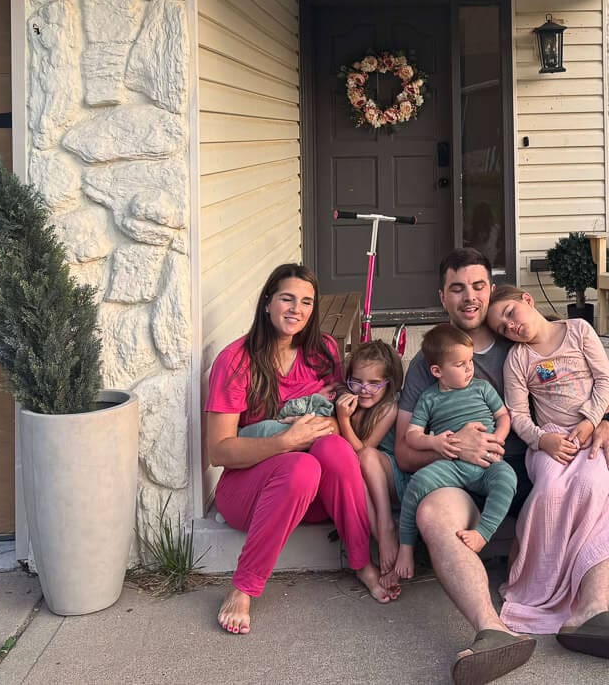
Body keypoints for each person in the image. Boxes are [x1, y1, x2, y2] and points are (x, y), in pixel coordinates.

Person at [205, 263, 396, 636]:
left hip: (313, 501)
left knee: (336, 452)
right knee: (301, 468)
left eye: (306, 302)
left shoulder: (321, 349)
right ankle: (244, 587)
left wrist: (332, 418)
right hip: (251, 493)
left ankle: (362, 562)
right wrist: (284, 441)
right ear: (267, 302)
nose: (297, 309)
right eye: (287, 299)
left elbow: (341, 401)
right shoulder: (235, 361)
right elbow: (219, 452)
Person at [489, 284, 609, 661]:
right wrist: (542, 441)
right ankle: (537, 587)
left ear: (526, 299)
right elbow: (518, 413)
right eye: (503, 329)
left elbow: (605, 381)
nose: (511, 327)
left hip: (594, 436)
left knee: (592, 484)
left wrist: (593, 422)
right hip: (551, 442)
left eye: (510, 314)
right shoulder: (518, 359)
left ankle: (580, 590)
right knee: (549, 494)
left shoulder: (578, 330)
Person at [396, 324, 518, 580]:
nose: (469, 368)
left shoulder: (482, 388)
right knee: (418, 483)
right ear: (437, 371)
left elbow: (503, 416)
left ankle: (482, 533)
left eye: (470, 361)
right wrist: (436, 443)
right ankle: (405, 546)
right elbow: (412, 435)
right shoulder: (429, 398)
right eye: (460, 364)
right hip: (451, 464)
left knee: (508, 480)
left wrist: (497, 438)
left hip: (488, 462)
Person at [335, 339, 405, 590]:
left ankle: (387, 527)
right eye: (357, 381)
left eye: (375, 383)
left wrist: (344, 421)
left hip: (393, 479)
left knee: (364, 458)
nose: (364, 389)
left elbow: (365, 450)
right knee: (354, 476)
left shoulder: (389, 409)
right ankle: (382, 538)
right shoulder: (350, 402)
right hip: (368, 482)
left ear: (389, 383)